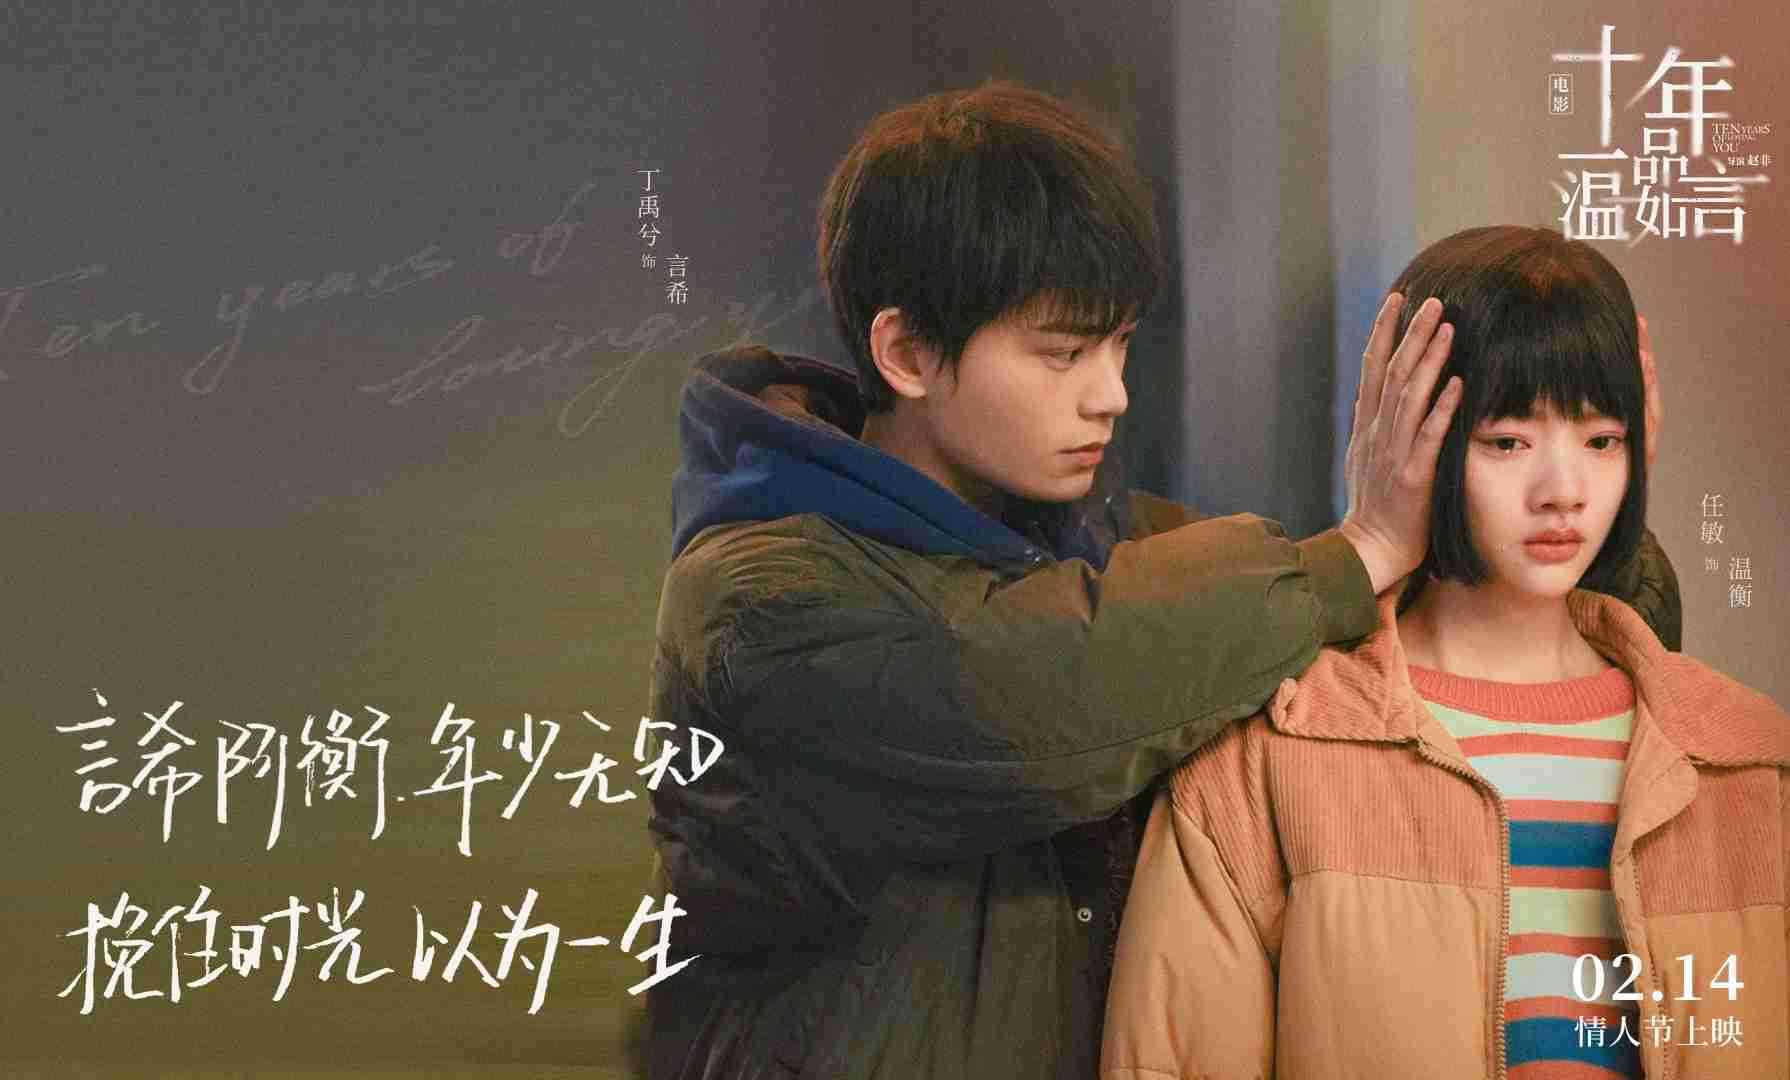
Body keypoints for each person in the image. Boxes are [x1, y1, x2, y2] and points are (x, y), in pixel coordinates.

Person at [640, 84, 1679, 1080]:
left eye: (1120, 343)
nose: (1111, 395)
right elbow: (1026, 686)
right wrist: (1364, 541)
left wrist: (1578, 499)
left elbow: (1431, 642)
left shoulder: (1125, 558)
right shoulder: (758, 597)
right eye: (1062, 354)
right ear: (906, 352)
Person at [1101, 225, 1780, 1080]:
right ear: (1409, 437)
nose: (1564, 491)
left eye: (1602, 440)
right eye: (1508, 441)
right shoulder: (1268, 756)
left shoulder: (1752, 762)